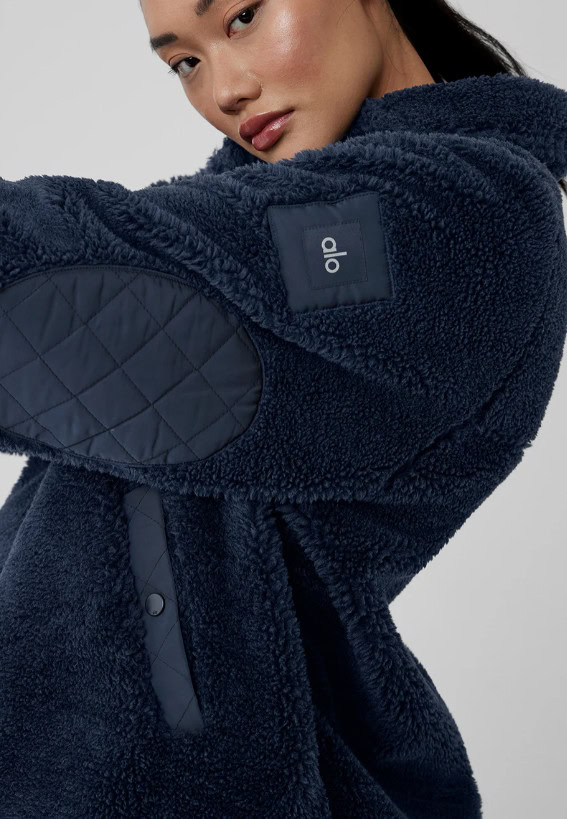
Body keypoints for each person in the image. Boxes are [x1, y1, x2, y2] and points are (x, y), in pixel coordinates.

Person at [0, 1, 566, 816]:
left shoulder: (462, 213)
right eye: (184, 63)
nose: (222, 89)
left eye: (240, 17)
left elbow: (82, 291)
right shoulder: (297, 212)